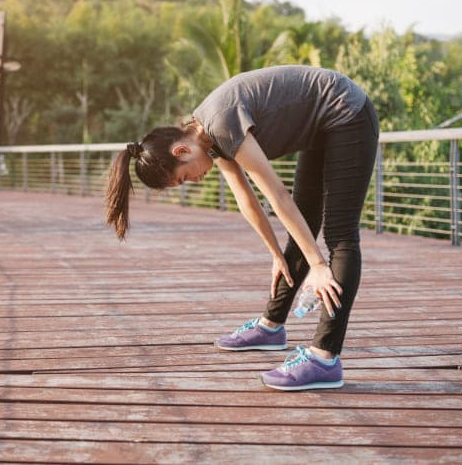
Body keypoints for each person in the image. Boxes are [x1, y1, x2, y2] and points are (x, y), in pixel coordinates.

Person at [105, 65, 379, 391]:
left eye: (184, 177)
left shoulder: (219, 124)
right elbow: (246, 200)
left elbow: (276, 194)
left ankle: (324, 357)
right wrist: (276, 254)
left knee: (340, 235)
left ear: (181, 151)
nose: (193, 181)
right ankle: (272, 327)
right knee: (302, 228)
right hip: (321, 127)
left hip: (346, 112)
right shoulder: (208, 138)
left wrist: (318, 265)